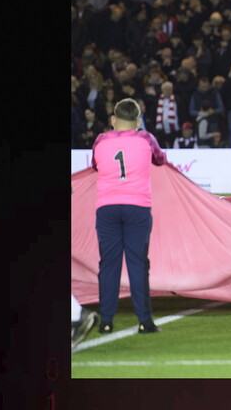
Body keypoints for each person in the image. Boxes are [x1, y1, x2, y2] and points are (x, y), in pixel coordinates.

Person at [91, 98, 167, 334]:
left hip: (107, 207)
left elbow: (95, 165)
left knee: (108, 265)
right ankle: (145, 321)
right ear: (137, 121)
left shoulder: (100, 140)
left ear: (113, 119)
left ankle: (106, 322)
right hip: (137, 206)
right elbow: (160, 160)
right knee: (137, 264)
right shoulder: (145, 138)